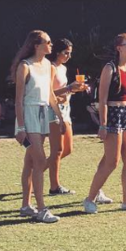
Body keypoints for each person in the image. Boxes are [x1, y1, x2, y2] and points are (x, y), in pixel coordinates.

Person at [83, 34, 126, 214]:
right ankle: (90, 198)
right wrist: (103, 125)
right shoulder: (109, 68)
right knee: (112, 161)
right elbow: (102, 99)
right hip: (113, 114)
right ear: (119, 47)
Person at [11, 30, 65, 224]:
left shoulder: (49, 65)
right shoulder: (24, 66)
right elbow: (18, 101)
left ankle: (26, 205)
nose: (51, 45)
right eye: (47, 42)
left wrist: (59, 118)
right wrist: (20, 128)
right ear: (36, 45)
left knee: (31, 162)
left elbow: (50, 94)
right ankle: (41, 209)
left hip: (43, 115)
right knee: (40, 159)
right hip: (28, 115)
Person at [45, 38, 86, 196]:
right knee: (57, 150)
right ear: (57, 52)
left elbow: (63, 91)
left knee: (68, 149)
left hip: (66, 108)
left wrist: (74, 89)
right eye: (66, 53)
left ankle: (36, 172)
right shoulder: (51, 67)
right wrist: (69, 88)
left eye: (70, 53)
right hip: (54, 110)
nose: (68, 56)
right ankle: (54, 187)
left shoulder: (63, 68)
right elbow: (48, 93)